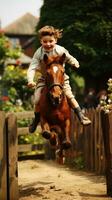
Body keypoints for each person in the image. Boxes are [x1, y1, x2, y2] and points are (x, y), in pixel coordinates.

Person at [27, 25, 91, 133]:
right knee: (37, 99)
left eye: (50, 41)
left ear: (55, 40)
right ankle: (36, 119)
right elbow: (32, 67)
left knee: (70, 95)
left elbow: (70, 58)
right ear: (41, 41)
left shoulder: (61, 50)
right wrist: (30, 80)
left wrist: (75, 63)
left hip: (61, 79)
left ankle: (81, 116)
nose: (48, 44)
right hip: (45, 79)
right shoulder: (38, 53)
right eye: (45, 42)